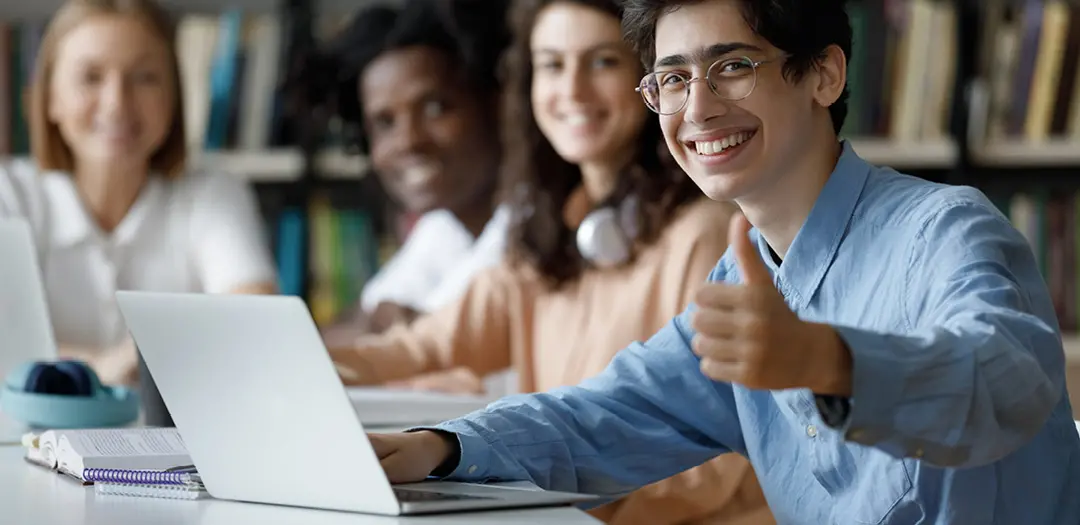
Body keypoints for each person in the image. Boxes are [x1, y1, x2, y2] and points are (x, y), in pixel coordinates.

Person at [361, 0, 1080, 523]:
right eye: (672, 80)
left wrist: (830, 361)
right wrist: (441, 446)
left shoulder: (943, 229)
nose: (697, 109)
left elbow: (1009, 384)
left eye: (731, 66)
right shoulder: (743, 276)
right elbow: (606, 414)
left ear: (823, 76)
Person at [329, 1, 774, 523]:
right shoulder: (548, 234)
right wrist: (306, 366)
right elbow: (421, 346)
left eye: (603, 62)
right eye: (552, 64)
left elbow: (711, 466)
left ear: (655, 79)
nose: (573, 92)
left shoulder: (706, 234)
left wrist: (543, 492)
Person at [0, 0, 276, 385]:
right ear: (49, 99)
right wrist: (105, 366)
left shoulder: (213, 194)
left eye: (145, 77)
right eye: (91, 77)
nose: (117, 104)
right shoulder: (9, 194)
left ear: (174, 100)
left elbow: (257, 320)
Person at [319, 0, 512, 337]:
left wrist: (393, 328)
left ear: (495, 105)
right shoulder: (443, 228)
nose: (408, 141)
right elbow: (348, 330)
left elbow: (427, 342)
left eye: (436, 108)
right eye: (385, 122)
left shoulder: (538, 226)